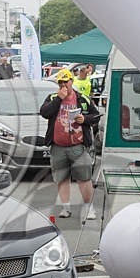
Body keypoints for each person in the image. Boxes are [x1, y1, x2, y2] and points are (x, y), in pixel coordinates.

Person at [40, 68, 100, 220]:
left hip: (78, 146)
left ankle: (88, 208)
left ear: (72, 81)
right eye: (60, 82)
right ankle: (65, 207)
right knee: (62, 177)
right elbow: (44, 112)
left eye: (66, 82)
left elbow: (96, 116)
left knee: (84, 178)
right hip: (58, 145)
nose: (63, 85)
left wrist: (84, 120)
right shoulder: (53, 97)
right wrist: (58, 99)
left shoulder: (83, 99)